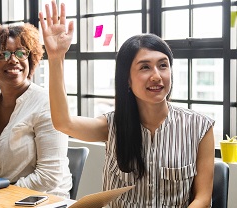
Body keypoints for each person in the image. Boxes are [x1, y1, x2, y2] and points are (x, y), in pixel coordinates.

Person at [40, 1, 215, 207]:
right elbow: (63, 123)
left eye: (163, 65)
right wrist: (55, 57)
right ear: (128, 80)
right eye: (145, 68)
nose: (157, 76)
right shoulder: (112, 125)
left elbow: (203, 199)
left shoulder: (200, 127)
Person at [0, 23, 72, 198]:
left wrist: (2, 196)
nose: (14, 60)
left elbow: (49, 176)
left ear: (30, 59)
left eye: (21, 53)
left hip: (42, 200)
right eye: (3, 54)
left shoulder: (46, 103)